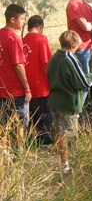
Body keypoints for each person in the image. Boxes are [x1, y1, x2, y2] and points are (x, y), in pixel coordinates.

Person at [47, 30, 92, 173]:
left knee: (59, 132)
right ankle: (66, 165)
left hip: (54, 100)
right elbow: (83, 82)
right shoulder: (70, 58)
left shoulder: (54, 57)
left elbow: (48, 74)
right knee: (67, 134)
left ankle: (62, 162)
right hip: (68, 102)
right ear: (74, 44)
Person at [0, 4, 32, 154]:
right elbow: (18, 65)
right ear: (12, 19)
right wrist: (27, 88)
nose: (24, 22)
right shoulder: (14, 38)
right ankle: (19, 151)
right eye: (22, 18)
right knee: (20, 123)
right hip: (14, 89)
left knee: (3, 123)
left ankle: (4, 152)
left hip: (1, 88)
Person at [23, 15, 53, 144]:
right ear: (40, 26)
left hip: (26, 85)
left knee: (32, 115)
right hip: (41, 85)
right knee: (44, 115)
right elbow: (47, 63)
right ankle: (44, 141)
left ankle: (31, 138)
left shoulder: (22, 40)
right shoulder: (41, 39)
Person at [66, 0, 92, 74]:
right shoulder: (73, 4)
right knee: (82, 83)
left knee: (88, 81)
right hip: (79, 49)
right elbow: (86, 27)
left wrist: (90, 25)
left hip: (89, 47)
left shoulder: (86, 4)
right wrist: (90, 25)